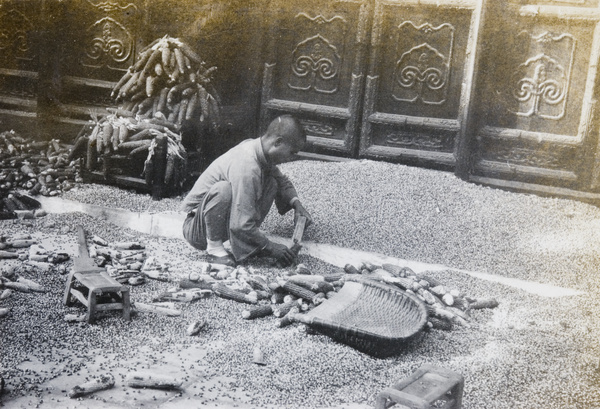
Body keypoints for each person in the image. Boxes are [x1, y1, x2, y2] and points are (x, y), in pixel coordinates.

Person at [181, 115, 312, 267]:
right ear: (278, 142)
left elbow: (282, 181)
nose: (292, 158)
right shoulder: (247, 165)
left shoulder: (259, 149)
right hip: (197, 228)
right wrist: (270, 247)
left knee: (272, 182)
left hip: (219, 220)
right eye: (292, 152)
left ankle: (249, 244)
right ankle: (214, 248)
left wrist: (297, 205)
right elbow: (241, 224)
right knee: (223, 190)